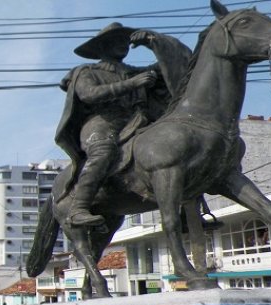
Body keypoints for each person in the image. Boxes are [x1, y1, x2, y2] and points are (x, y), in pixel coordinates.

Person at [55, 22, 191, 226]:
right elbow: (89, 94)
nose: (123, 44)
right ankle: (78, 208)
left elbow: (171, 65)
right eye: (115, 40)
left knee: (176, 147)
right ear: (102, 47)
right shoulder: (86, 71)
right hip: (101, 123)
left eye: (125, 41)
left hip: (136, 121)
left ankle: (189, 208)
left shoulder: (135, 71)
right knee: (103, 152)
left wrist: (153, 41)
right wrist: (132, 84)